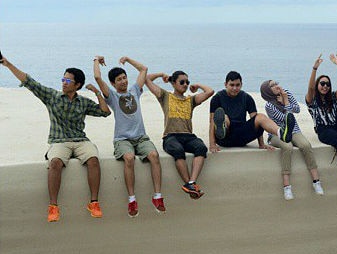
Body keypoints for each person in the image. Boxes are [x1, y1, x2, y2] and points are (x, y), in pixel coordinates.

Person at [0, 55, 111, 222]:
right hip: (59, 141)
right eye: (63, 79)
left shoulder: (83, 102)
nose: (63, 82)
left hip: (80, 140)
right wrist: (8, 64)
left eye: (67, 81)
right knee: (55, 163)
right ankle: (53, 206)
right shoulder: (51, 96)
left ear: (77, 85)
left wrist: (96, 92)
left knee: (94, 160)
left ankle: (94, 203)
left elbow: (105, 112)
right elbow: (30, 82)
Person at [93, 55, 165, 217]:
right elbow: (97, 77)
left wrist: (128, 60)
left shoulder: (135, 91)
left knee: (154, 155)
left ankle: (158, 197)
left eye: (124, 77)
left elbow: (144, 70)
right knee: (129, 158)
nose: (124, 81)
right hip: (122, 139)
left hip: (141, 137)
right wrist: (96, 59)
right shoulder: (112, 96)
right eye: (119, 79)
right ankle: (132, 199)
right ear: (113, 83)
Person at [146, 70, 213, 199]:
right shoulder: (165, 96)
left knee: (201, 148)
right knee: (178, 150)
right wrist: (161, 75)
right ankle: (189, 185)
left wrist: (197, 86)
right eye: (182, 82)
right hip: (171, 136)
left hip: (188, 135)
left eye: (187, 82)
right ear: (173, 83)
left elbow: (209, 91)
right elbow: (146, 79)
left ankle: (191, 183)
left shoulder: (191, 100)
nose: (185, 84)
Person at [260, 80, 324, 200]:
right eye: (272, 86)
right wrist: (285, 103)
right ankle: (287, 187)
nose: (277, 86)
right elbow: (285, 119)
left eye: (276, 83)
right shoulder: (269, 105)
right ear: (268, 91)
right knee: (287, 147)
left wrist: (286, 100)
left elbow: (297, 109)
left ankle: (316, 182)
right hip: (277, 133)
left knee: (305, 145)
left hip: (294, 130)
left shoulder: (286, 93)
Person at [209, 71, 295, 153]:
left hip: (242, 136)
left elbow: (257, 122)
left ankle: (281, 133)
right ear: (225, 84)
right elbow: (212, 122)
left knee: (260, 116)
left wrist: (261, 144)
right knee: (223, 117)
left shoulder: (247, 98)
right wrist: (212, 144)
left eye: (237, 85)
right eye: (232, 85)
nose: (235, 88)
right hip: (224, 139)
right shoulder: (217, 98)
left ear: (241, 85)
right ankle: (222, 129)